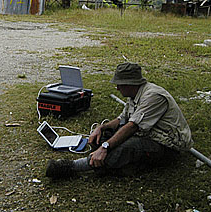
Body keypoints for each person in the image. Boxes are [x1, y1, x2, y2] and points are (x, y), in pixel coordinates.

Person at [46, 62, 193, 178]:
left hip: (168, 144)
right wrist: (101, 128)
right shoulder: (135, 94)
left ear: (130, 84)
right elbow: (122, 119)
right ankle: (112, 164)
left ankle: (72, 166)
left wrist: (105, 147)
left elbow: (132, 126)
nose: (117, 88)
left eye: (119, 84)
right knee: (106, 136)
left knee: (126, 147)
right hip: (149, 133)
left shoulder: (153, 96)